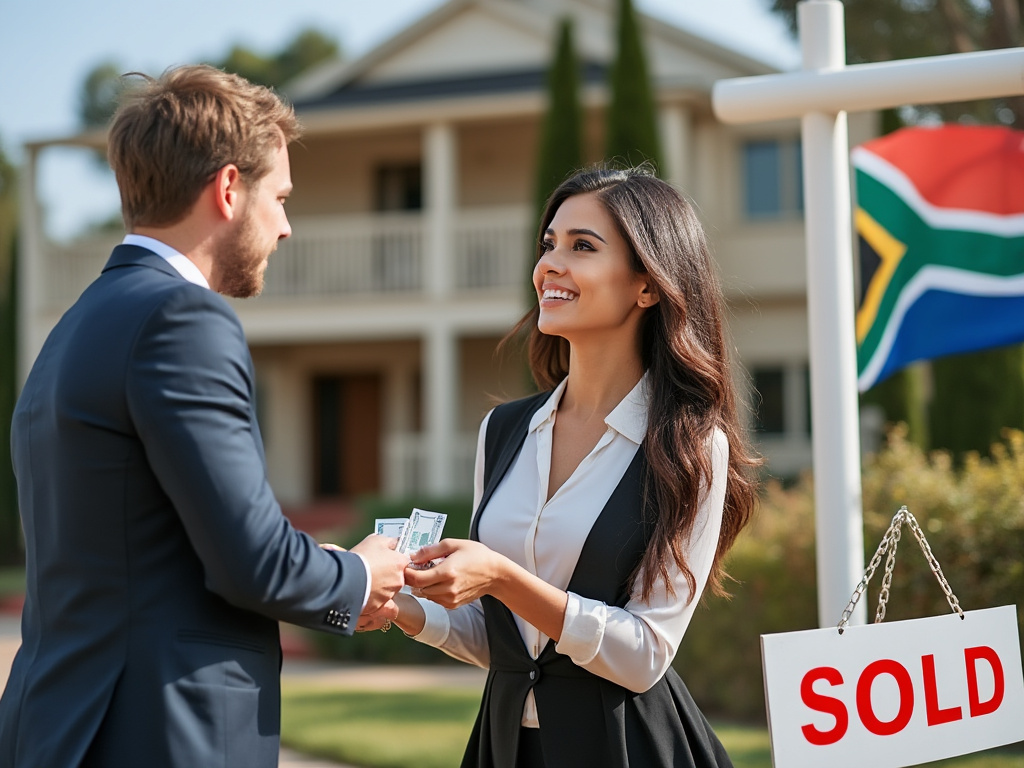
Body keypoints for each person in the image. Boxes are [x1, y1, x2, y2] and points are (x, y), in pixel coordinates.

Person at [0, 65, 408, 768]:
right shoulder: (182, 319)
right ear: (227, 190)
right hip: (158, 735)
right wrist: (361, 577)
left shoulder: (71, 330)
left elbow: (166, 547)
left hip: (60, 728)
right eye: (278, 198)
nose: (285, 227)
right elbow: (251, 563)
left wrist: (323, 568)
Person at [361, 166, 759, 767]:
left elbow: (645, 653)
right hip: (507, 746)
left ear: (646, 286)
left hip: (627, 748)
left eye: (582, 247)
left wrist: (500, 577)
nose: (550, 264)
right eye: (548, 244)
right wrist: (403, 605)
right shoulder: (503, 432)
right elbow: (510, 644)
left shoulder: (690, 446)